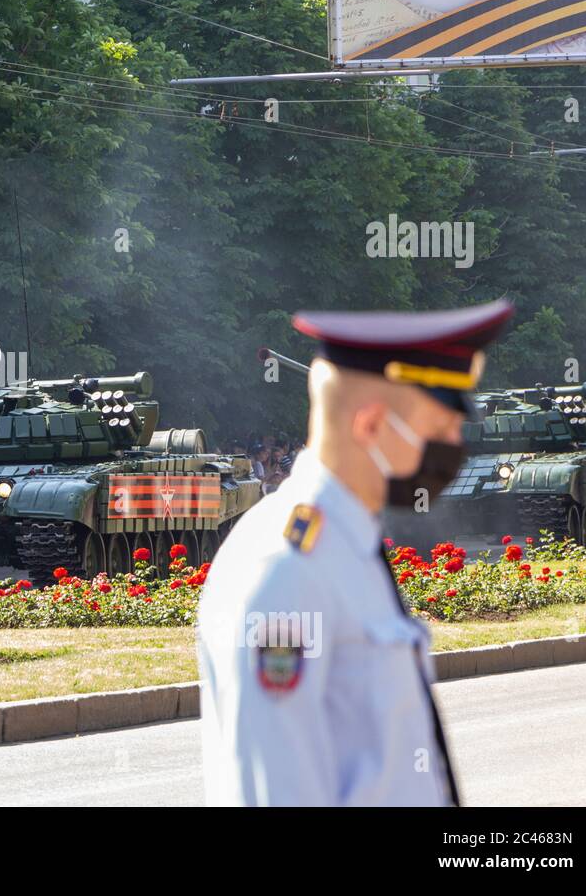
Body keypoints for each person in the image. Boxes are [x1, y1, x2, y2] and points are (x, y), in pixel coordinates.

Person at [197, 299, 514, 807]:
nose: (456, 446)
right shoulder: (285, 571)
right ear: (371, 425)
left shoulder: (346, 547)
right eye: (440, 430)